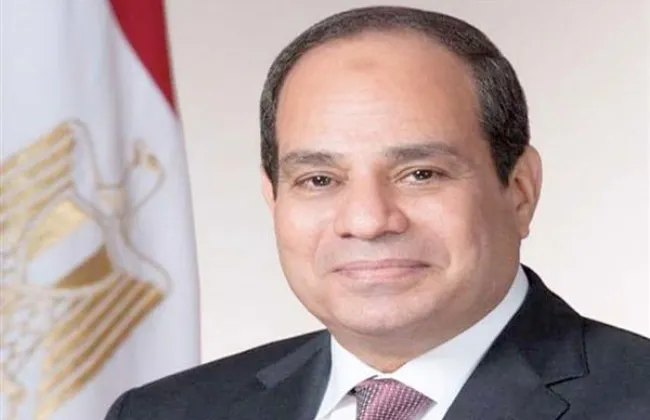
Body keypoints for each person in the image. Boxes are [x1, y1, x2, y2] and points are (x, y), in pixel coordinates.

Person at [105, 5, 650, 420]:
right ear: (274, 200)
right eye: (319, 180)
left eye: (421, 174)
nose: (367, 221)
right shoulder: (163, 413)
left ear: (520, 191)